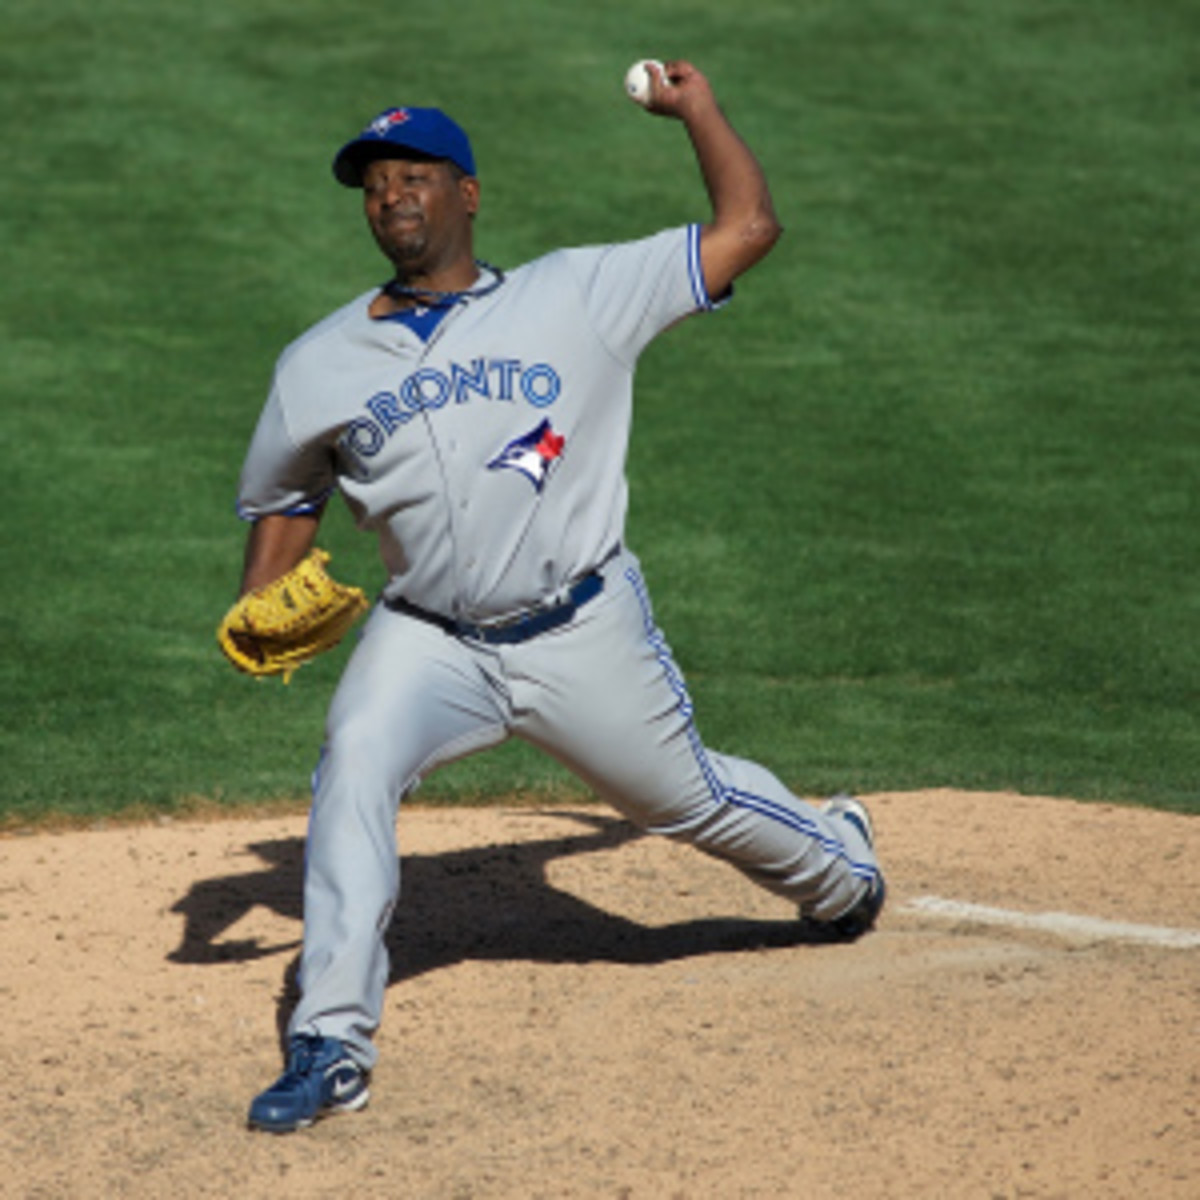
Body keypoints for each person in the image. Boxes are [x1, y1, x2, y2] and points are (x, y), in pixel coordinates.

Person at [235, 61, 884, 1134]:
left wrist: (699, 110)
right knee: (352, 764)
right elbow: (285, 490)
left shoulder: (578, 292)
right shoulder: (317, 361)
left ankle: (840, 867)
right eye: (373, 183)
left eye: (416, 175)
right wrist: (256, 600)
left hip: (580, 631)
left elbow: (749, 227)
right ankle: (331, 1043)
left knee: (686, 802)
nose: (392, 195)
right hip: (425, 639)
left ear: (468, 194)